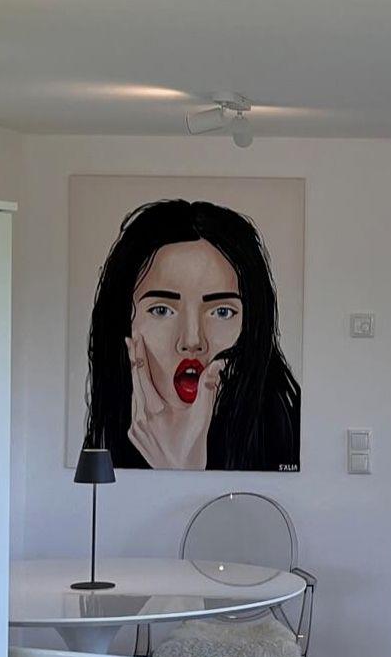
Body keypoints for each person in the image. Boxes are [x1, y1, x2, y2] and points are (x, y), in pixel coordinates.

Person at [84, 199, 300, 470]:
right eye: (161, 310)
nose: (192, 341)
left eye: (222, 312)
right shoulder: (103, 447)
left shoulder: (286, 435)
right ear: (122, 323)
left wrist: (178, 464)